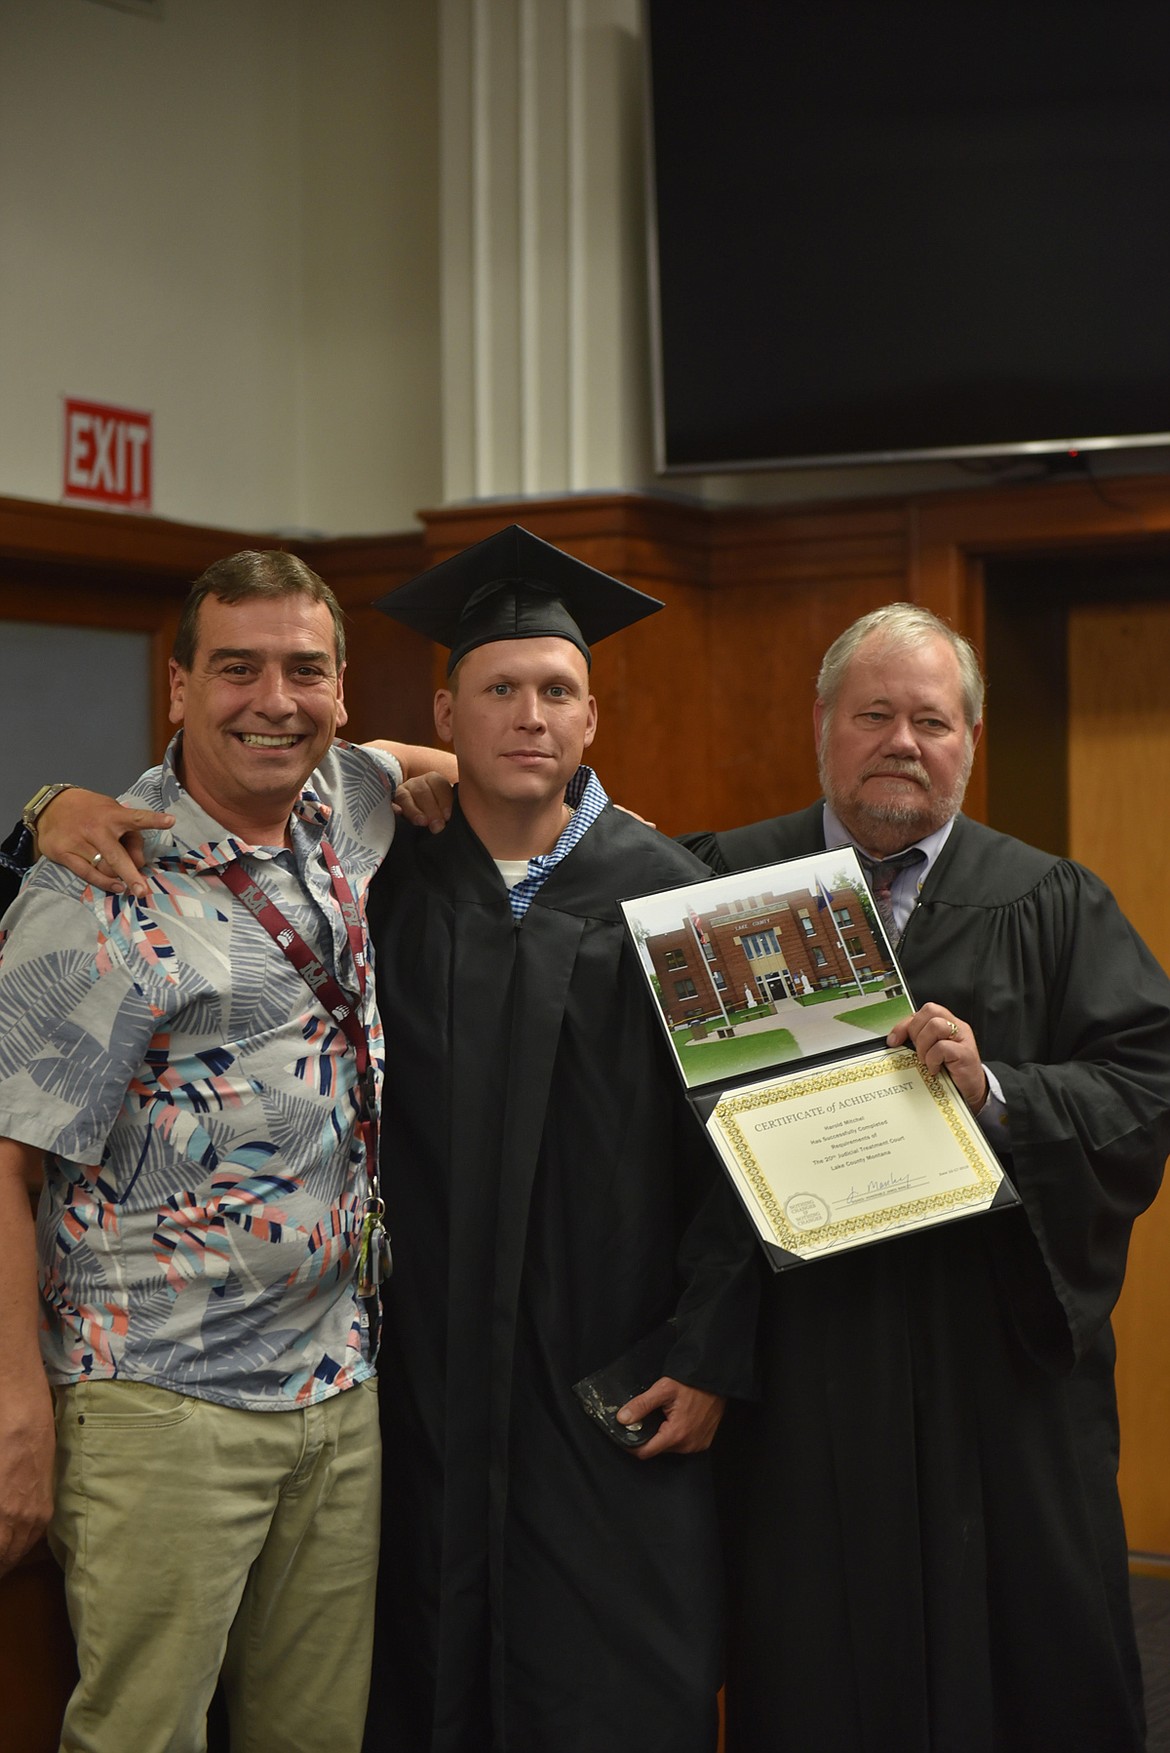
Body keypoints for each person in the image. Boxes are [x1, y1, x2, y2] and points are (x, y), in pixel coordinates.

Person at [678, 603, 1170, 1753]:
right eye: (875, 715)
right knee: (814, 1661)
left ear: (970, 741)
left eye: (931, 720)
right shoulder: (727, 888)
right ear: (823, 726)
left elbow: (1146, 1084)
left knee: (1030, 1658)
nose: (903, 740)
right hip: (806, 1362)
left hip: (993, 1359)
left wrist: (1000, 1092)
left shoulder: (1052, 900)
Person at [0, 550, 453, 1753]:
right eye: (237, 668)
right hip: (159, 1400)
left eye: (305, 670)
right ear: (179, 686)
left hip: (336, 1388)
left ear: (345, 689)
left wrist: (494, 780)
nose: (275, 698)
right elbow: (5, 1165)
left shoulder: (342, 805)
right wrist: (19, 1410)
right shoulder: (98, 884)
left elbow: (427, 766)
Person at [363, 526, 757, 1753]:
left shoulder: (677, 900)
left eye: (557, 692)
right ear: (448, 709)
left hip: (604, 1374)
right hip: (418, 1382)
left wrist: (708, 1349)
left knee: (608, 1678)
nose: (529, 715)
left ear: (591, 717)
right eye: (499, 689)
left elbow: (747, 1145)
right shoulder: (387, 884)